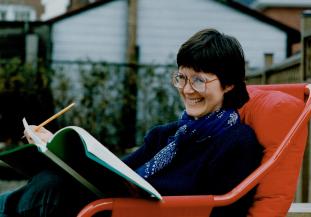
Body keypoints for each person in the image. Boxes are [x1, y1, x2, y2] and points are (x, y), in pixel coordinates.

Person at [0, 28, 262, 217]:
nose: (187, 89)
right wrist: (55, 148)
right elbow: (118, 171)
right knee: (52, 178)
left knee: (53, 191)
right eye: (182, 77)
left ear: (228, 84)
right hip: (116, 206)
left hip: (143, 213)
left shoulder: (237, 142)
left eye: (199, 80)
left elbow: (224, 208)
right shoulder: (166, 135)